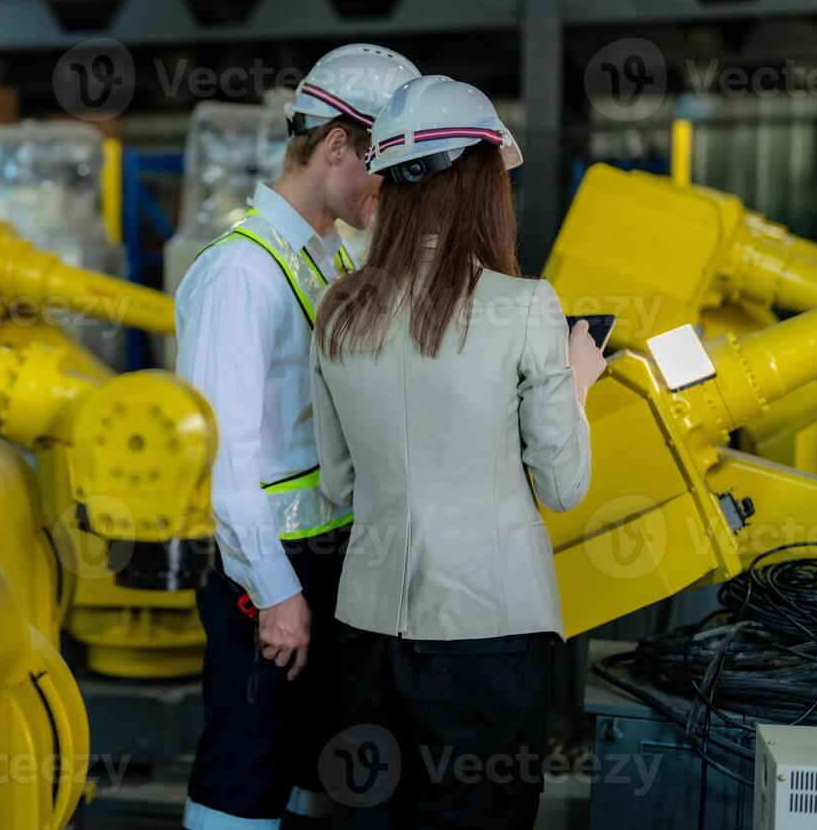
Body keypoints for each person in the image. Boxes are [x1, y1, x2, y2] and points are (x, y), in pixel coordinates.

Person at [309, 75, 607, 829]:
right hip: (488, 636)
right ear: (482, 182)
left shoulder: (338, 309)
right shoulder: (524, 306)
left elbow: (340, 484)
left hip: (368, 631)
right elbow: (563, 483)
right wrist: (576, 381)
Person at [176, 44, 421, 829]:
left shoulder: (325, 258)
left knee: (312, 770)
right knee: (243, 772)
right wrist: (276, 594)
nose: (390, 185)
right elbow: (223, 460)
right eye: (383, 163)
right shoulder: (240, 274)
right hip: (267, 575)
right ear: (338, 146)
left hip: (325, 562)